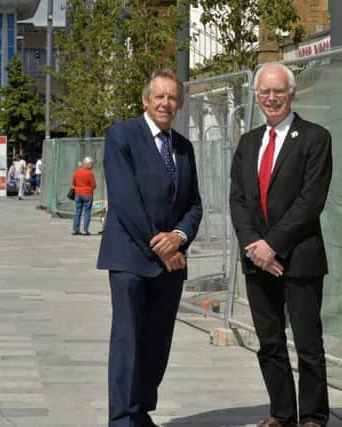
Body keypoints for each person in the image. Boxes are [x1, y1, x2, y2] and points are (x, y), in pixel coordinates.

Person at [96, 68, 202, 427]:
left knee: (157, 343)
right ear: (145, 100)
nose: (165, 103)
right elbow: (126, 201)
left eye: (172, 97)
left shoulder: (183, 148)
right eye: (159, 96)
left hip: (169, 265)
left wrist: (180, 238)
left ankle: (141, 412)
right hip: (130, 257)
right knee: (128, 341)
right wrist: (163, 246)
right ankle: (123, 419)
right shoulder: (122, 136)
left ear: (180, 104)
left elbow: (194, 205)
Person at [229, 63, 332, 427]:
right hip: (257, 261)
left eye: (278, 91)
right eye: (264, 92)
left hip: (299, 257)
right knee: (269, 342)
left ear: (292, 93)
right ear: (256, 97)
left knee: (308, 343)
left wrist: (272, 245)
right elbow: (238, 199)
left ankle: (314, 416)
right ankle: (282, 413)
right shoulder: (248, 142)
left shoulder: (315, 138)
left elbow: (310, 201)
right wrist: (254, 246)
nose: (271, 98)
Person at [71, 157, 96, 236]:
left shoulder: (77, 171)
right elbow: (93, 185)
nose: (92, 165)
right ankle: (85, 230)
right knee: (87, 212)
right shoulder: (89, 173)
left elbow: (73, 183)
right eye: (91, 163)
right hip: (87, 194)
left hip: (78, 193)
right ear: (87, 164)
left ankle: (75, 230)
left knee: (77, 212)